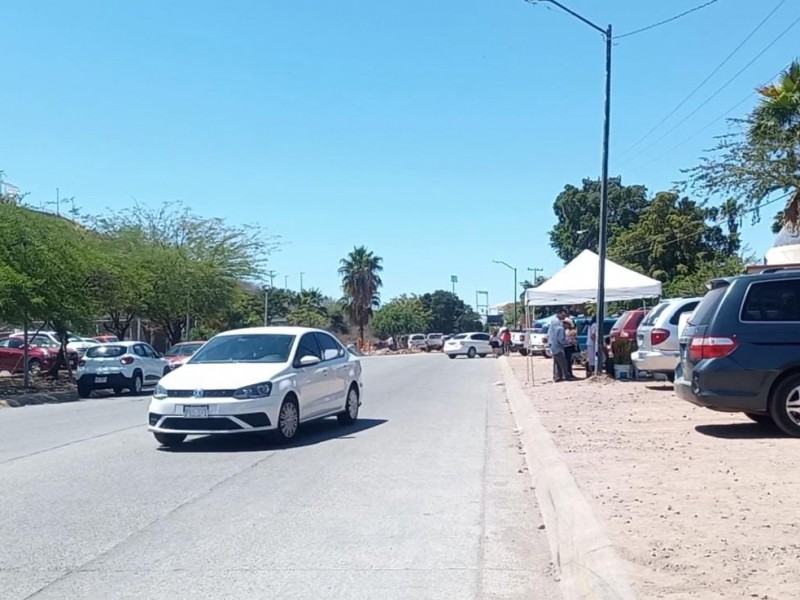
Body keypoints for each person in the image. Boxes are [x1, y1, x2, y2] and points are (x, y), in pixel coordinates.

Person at [547, 309, 573, 382]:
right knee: (563, 362)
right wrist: (567, 342)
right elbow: (561, 340)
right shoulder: (559, 327)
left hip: (554, 346)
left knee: (557, 363)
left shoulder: (556, 325)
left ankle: (557, 377)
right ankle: (566, 376)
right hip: (558, 347)